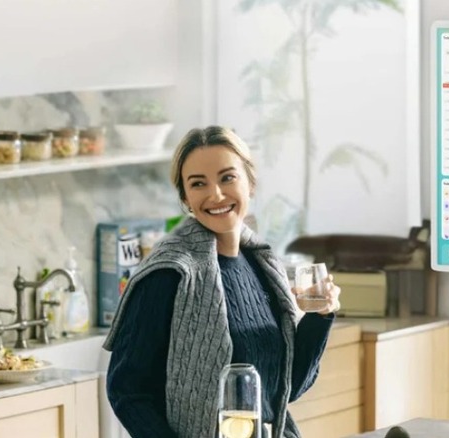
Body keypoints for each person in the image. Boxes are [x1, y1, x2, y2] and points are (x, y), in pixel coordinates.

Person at [103, 125, 341, 438]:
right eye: (198, 184)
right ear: (186, 198)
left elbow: (287, 388)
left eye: (227, 177)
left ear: (250, 183)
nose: (215, 194)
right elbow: (127, 391)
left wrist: (320, 317)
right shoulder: (169, 274)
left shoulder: (263, 265)